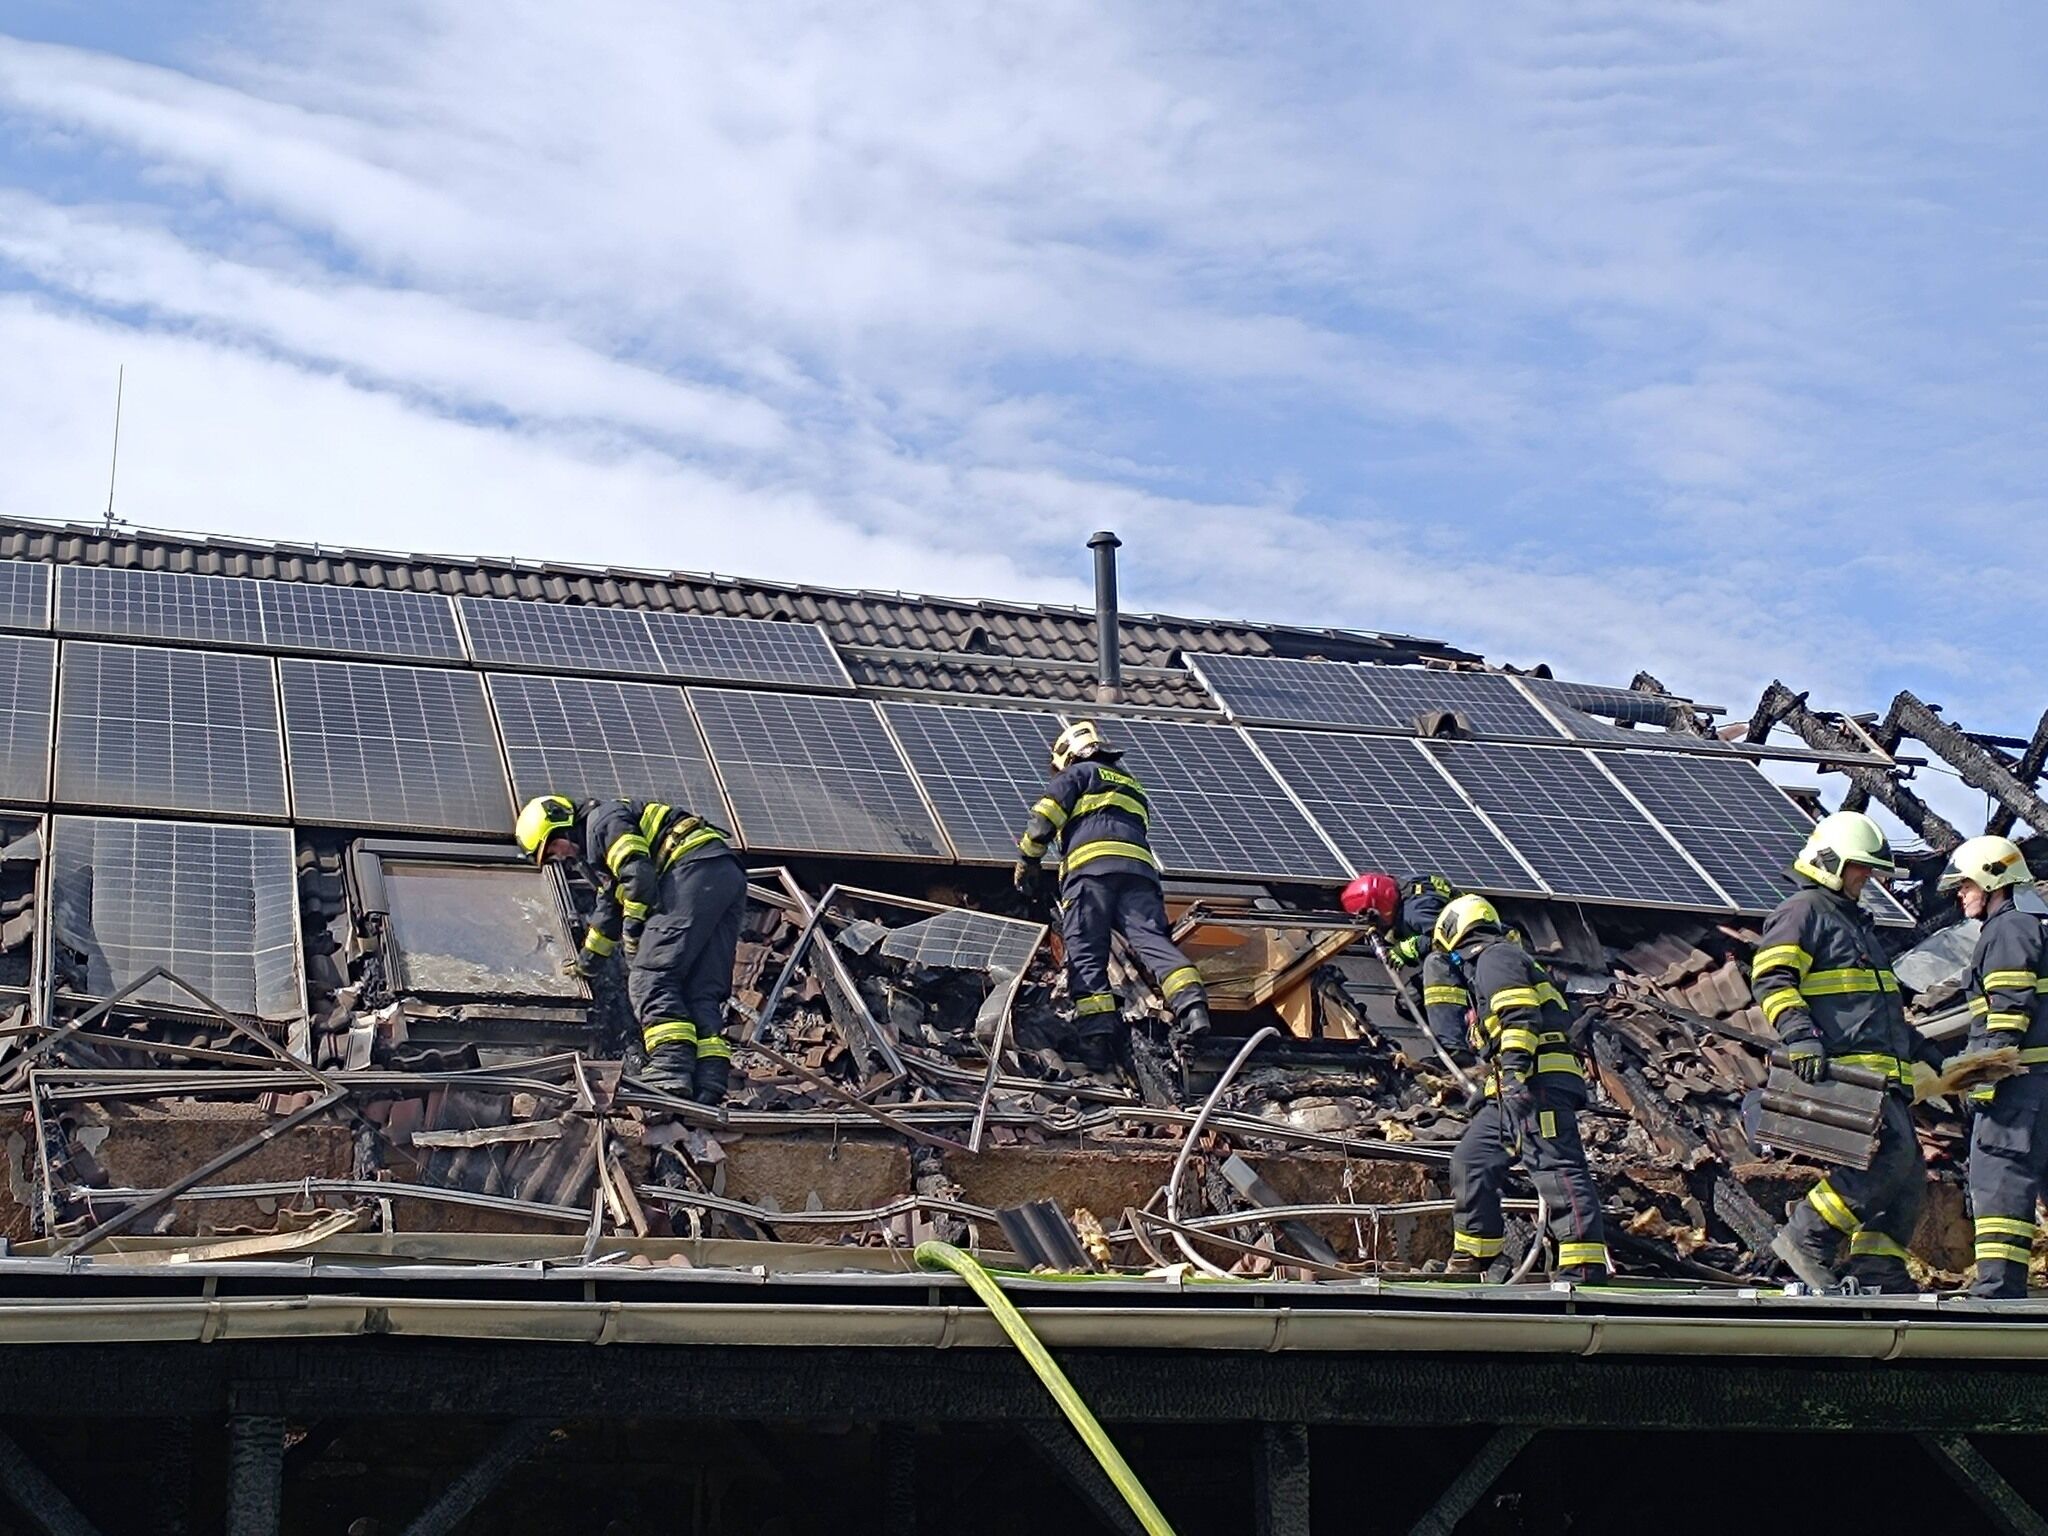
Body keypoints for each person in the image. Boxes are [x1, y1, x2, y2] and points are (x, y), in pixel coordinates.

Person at [1752, 810, 1932, 1292]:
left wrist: (1925, 1050)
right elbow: (1771, 978)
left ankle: (1878, 1267)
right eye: (1860, 867)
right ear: (1830, 861)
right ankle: (1806, 1236)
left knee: (1909, 1174)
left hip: (1882, 1075)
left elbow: (1874, 1009)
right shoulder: (1803, 910)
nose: (1867, 877)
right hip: (1847, 1070)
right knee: (1890, 1159)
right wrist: (1799, 1034)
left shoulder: (1854, 924)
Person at [515, 794, 746, 1106]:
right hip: (723, 873)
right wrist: (587, 963)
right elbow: (610, 907)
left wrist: (634, 932)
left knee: (651, 976)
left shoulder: (602, 824)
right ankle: (709, 1080)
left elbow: (638, 874)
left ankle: (669, 1068)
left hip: (690, 868)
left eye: (554, 847)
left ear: (562, 825)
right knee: (699, 987)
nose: (560, 856)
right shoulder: (599, 847)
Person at [1013, 720, 1212, 1072]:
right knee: (1151, 940)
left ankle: (1096, 1040)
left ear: (1068, 756)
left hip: (1090, 873)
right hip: (1140, 874)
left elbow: (1044, 817)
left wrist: (1028, 860)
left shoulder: (1077, 774)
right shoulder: (1132, 786)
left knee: (1086, 949)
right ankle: (1193, 1007)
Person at [1436, 894, 1609, 1282]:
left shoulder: (1495, 957)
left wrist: (1514, 1072)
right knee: (1472, 1161)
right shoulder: (1495, 960)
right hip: (1511, 1091)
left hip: (1536, 1084)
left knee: (1555, 1168)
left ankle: (1583, 1267)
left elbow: (1519, 1015)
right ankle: (1477, 1257)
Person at [1940, 835, 2047, 1297]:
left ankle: (1998, 1292)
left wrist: (1987, 1073)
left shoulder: (2008, 930)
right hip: (2038, 1085)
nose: (1960, 895)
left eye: (1965, 885)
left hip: (2019, 1088)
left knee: (1999, 1179)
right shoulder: (2032, 925)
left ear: (1992, 881)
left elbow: (2008, 1008)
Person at [1343, 871, 1474, 1063]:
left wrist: (1410, 948)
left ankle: (1455, 1050)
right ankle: (1459, 1027)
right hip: (1463, 961)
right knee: (1408, 1003)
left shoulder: (1416, 912)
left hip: (1472, 965)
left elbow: (1453, 940)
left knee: (1436, 967)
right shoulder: (1407, 890)